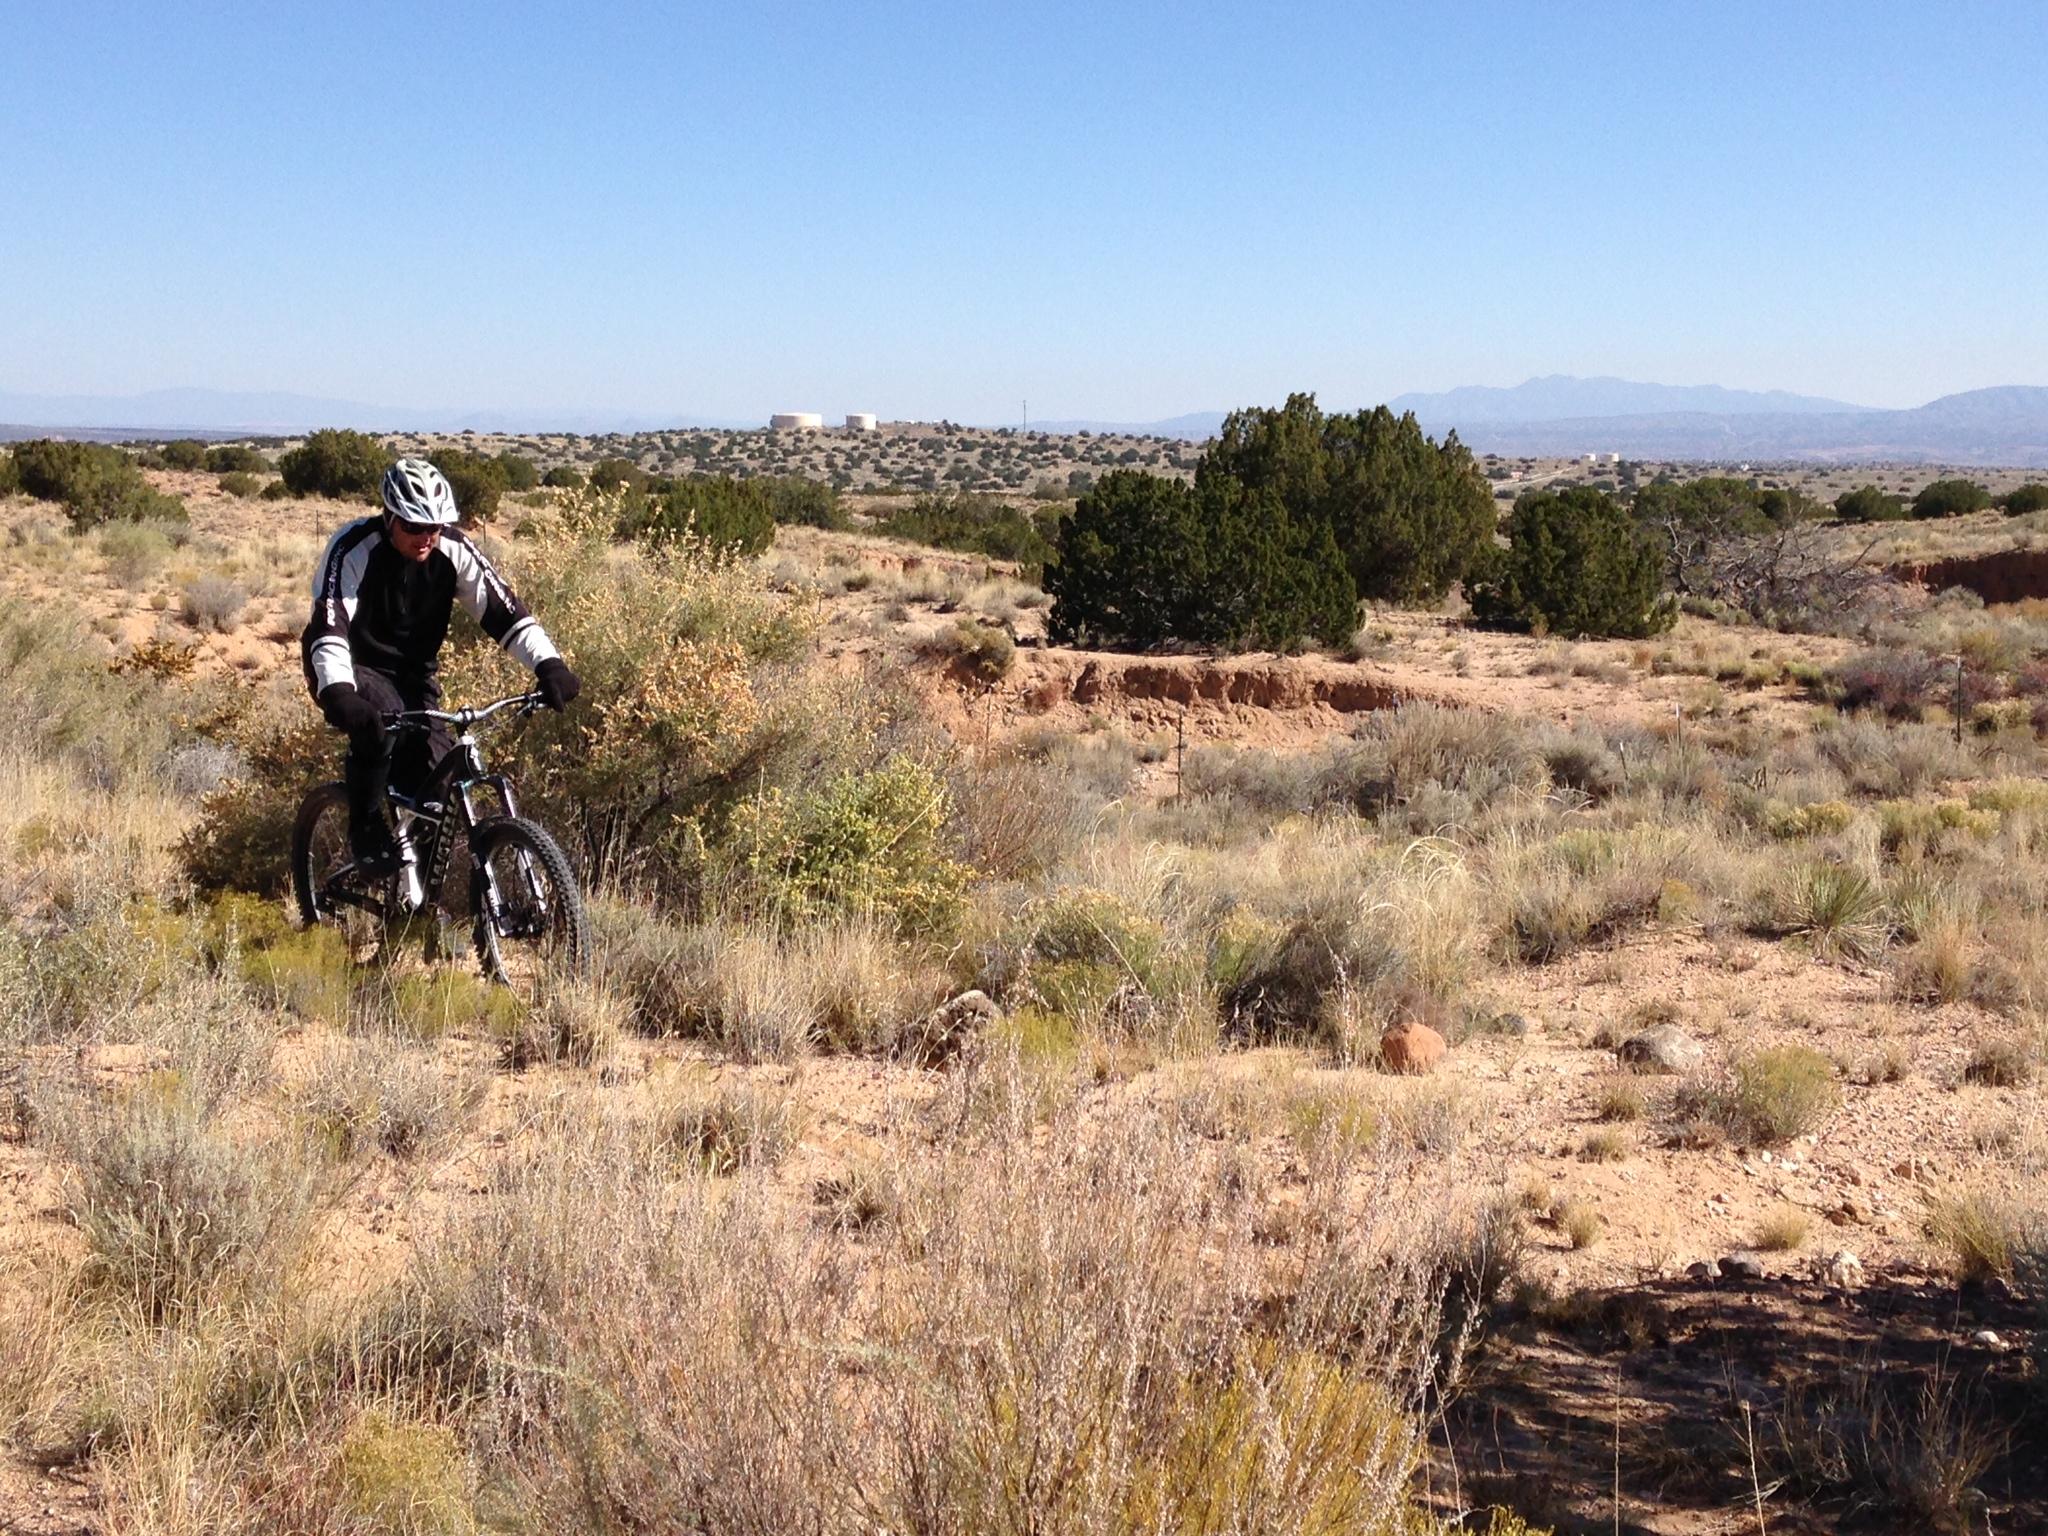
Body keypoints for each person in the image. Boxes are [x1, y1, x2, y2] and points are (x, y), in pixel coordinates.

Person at [302, 458, 580, 874]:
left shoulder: (453, 549)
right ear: (390, 516)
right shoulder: (352, 548)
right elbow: (330, 626)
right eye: (413, 526)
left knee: (439, 784)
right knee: (376, 726)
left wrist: (549, 664)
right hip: (352, 665)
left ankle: (420, 903)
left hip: (415, 673)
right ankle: (364, 825)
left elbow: (504, 612)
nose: (425, 537)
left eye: (434, 527)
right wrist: (340, 693)